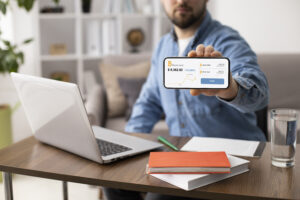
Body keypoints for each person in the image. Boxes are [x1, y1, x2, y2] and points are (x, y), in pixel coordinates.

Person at [104, 0, 269, 199]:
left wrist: (228, 86)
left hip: (235, 165)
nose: (181, 1)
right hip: (184, 163)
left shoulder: (228, 40)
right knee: (114, 182)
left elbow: (259, 94)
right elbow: (149, 102)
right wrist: (127, 147)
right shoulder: (163, 46)